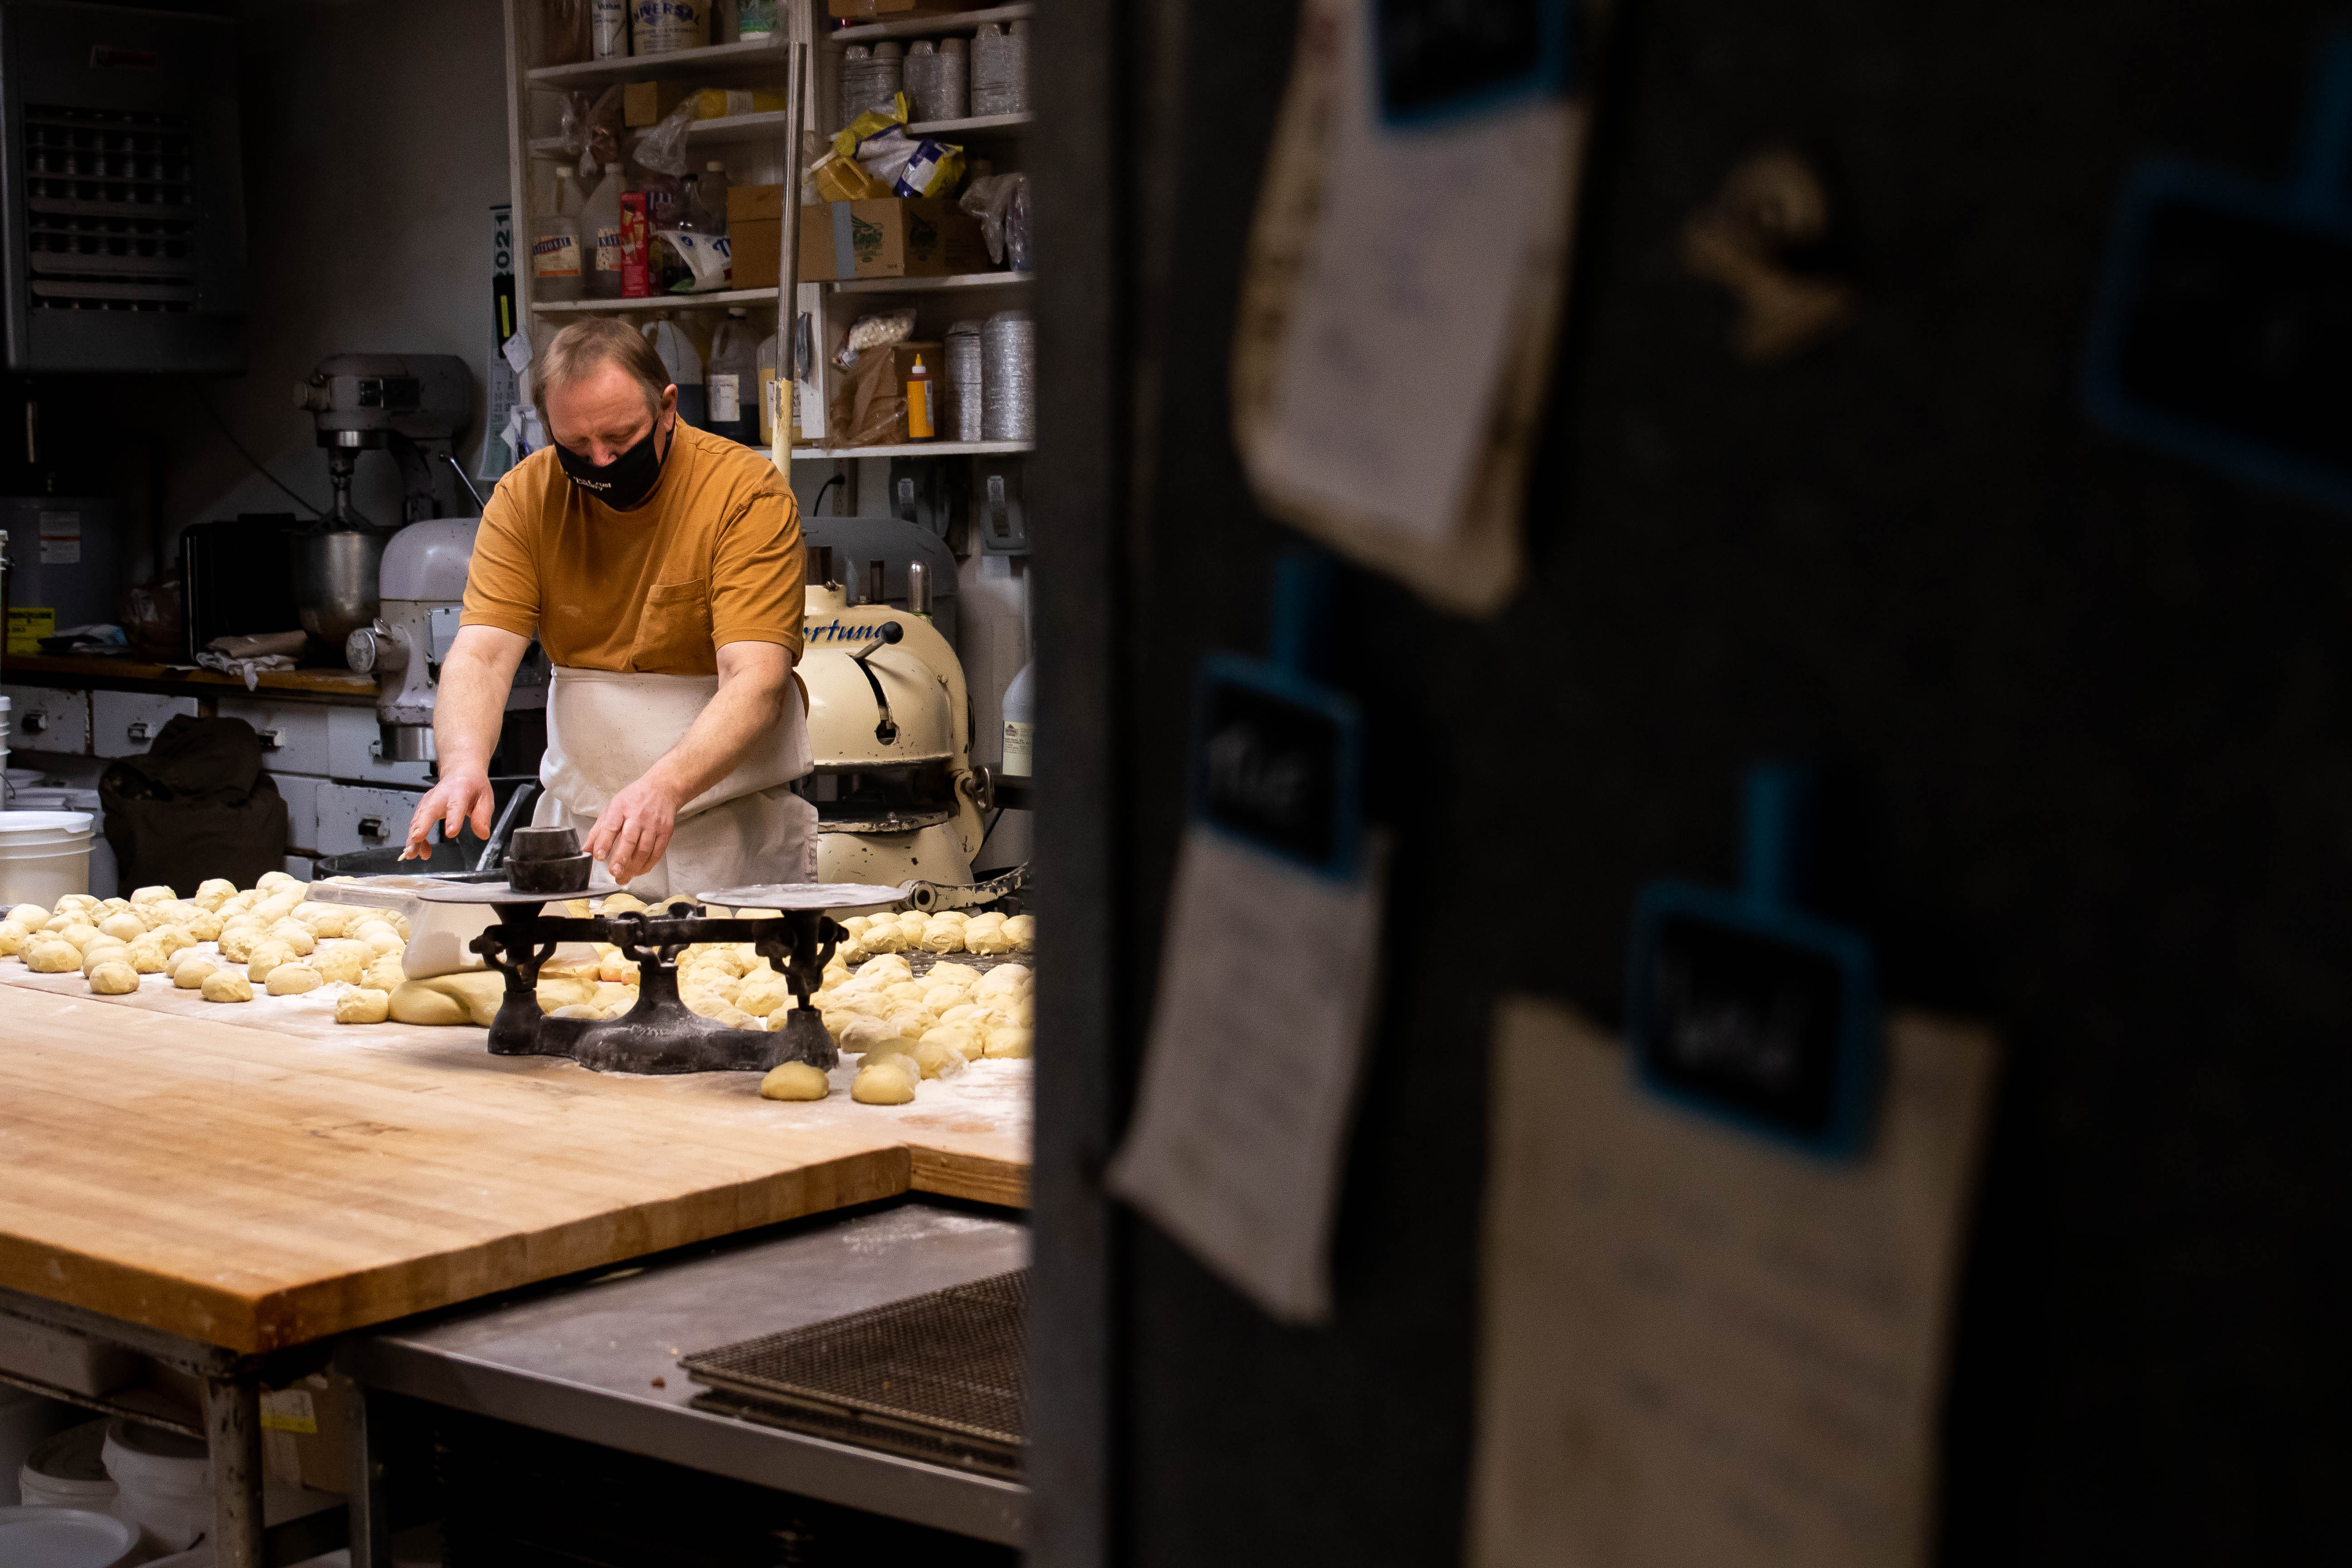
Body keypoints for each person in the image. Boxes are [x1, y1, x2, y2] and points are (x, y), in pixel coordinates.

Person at [401, 316, 811, 894]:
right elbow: (483, 658)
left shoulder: (744, 493)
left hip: (727, 831)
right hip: (581, 828)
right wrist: (463, 763)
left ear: (667, 407)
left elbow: (756, 679)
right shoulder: (525, 497)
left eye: (620, 441)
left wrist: (665, 785)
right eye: (575, 446)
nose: (599, 462)